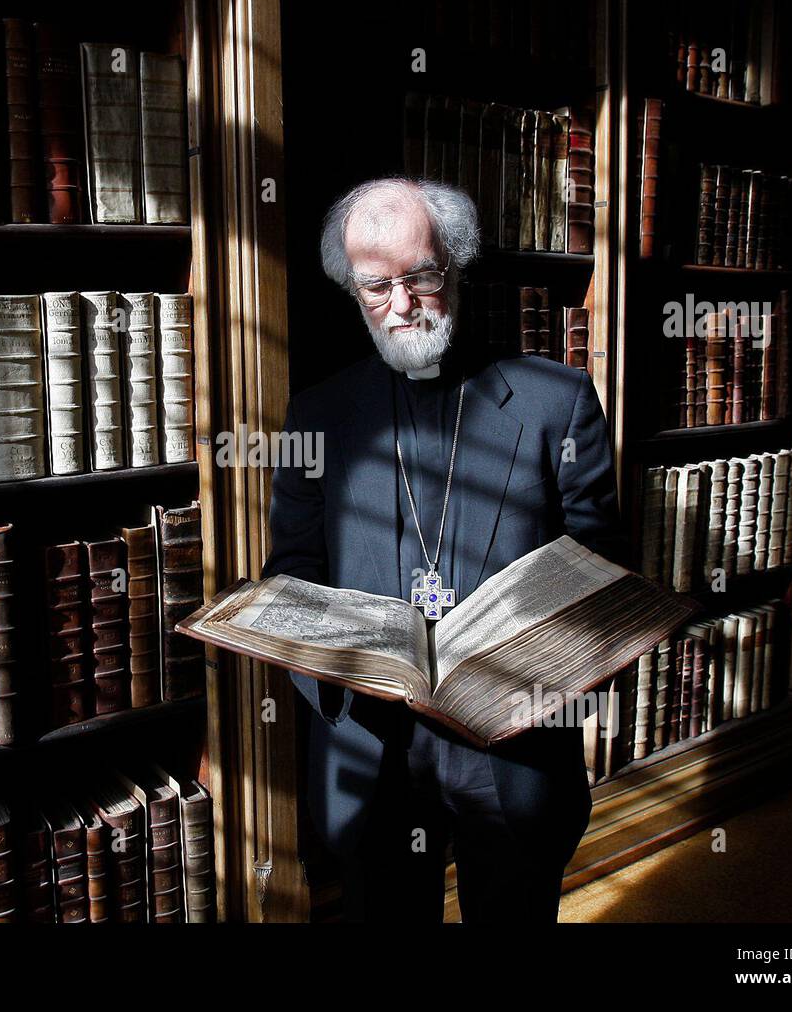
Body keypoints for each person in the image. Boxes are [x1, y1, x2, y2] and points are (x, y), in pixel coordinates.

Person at [262, 177, 626, 922]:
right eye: (376, 285)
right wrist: (342, 672)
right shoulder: (318, 415)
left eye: (421, 275)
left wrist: (546, 681)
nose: (403, 303)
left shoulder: (557, 400)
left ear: (454, 265)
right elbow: (294, 569)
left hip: (516, 737)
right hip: (375, 739)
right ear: (353, 288)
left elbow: (601, 571)